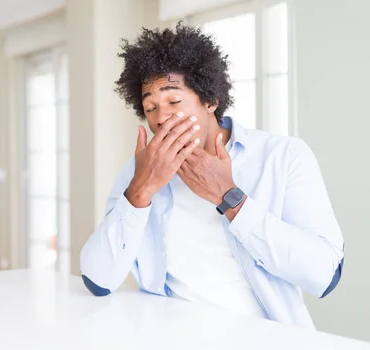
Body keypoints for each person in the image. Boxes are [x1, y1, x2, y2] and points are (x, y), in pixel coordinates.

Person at [79, 24, 344, 328]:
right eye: (150, 107)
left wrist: (229, 197)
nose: (161, 118)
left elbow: (326, 275)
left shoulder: (283, 156)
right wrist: (140, 190)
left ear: (210, 101)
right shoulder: (141, 170)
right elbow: (97, 280)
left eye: (174, 102)